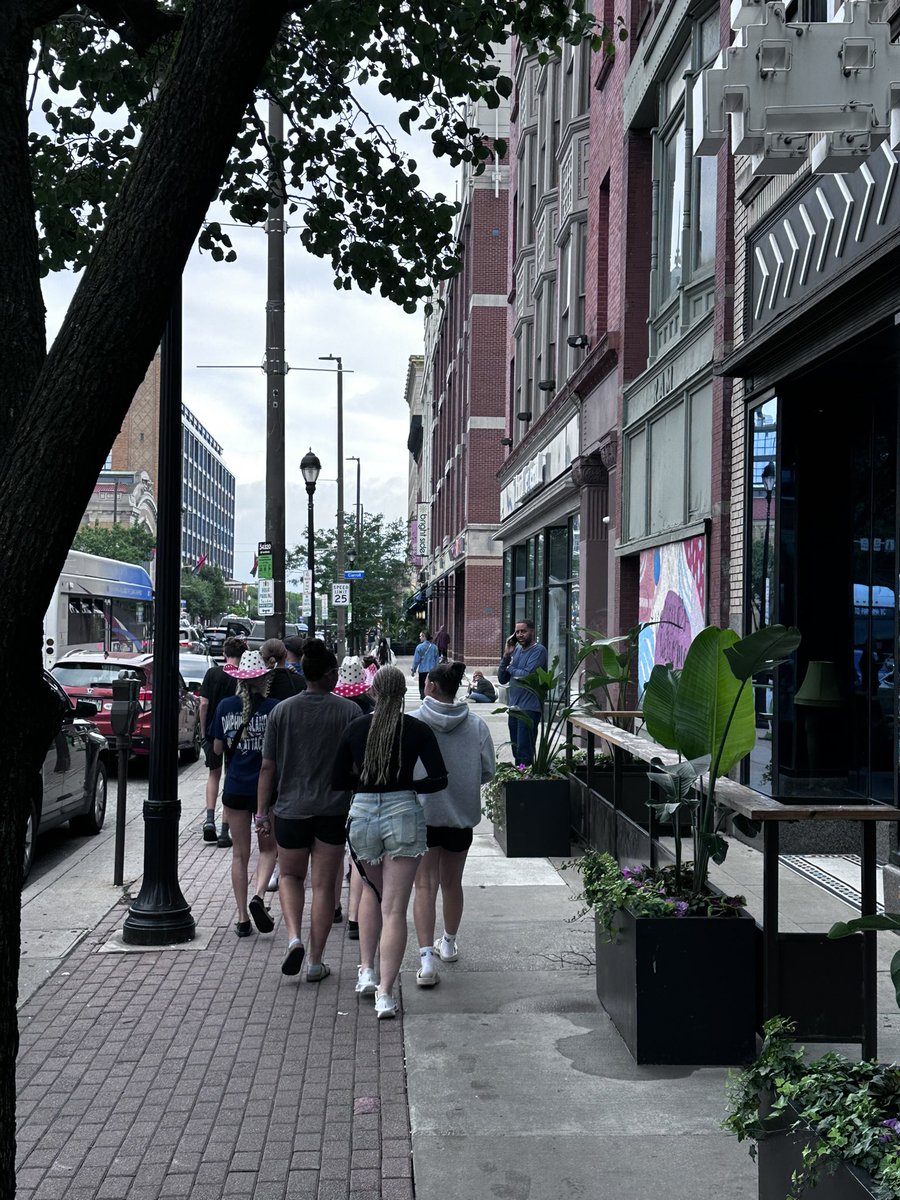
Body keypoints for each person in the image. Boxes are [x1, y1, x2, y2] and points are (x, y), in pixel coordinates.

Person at [332, 665, 448, 1019]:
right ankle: (385, 994)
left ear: (373, 691)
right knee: (395, 908)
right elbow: (440, 778)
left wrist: (365, 782)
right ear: (403, 694)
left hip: (363, 813)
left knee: (370, 892)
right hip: (403, 813)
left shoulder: (354, 729)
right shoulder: (417, 729)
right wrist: (408, 787)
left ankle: (366, 971)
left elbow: (337, 780)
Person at [255, 640, 360, 980]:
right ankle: (315, 962)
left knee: (290, 877)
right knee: (325, 887)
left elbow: (267, 767)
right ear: (329, 675)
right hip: (333, 810)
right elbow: (358, 767)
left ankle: (293, 938)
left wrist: (261, 813)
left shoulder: (281, 712)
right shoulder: (349, 712)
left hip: (290, 810)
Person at [411, 662, 495, 986]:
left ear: (431, 686)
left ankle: (426, 961)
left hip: (422, 814)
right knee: (452, 883)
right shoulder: (476, 725)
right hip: (461, 815)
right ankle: (448, 942)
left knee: (424, 885)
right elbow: (488, 771)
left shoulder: (413, 722)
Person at [211, 650, 281, 937]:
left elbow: (217, 749)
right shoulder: (274, 708)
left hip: (235, 788)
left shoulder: (225, 706)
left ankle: (242, 918)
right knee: (269, 849)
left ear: (239, 679)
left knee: (239, 855)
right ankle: (259, 895)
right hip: (266, 791)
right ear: (264, 678)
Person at [198, 635, 247, 847]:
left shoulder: (213, 673)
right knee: (230, 777)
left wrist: (203, 732)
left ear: (224, 654)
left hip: (213, 732)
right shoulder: (243, 676)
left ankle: (210, 819)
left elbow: (203, 704)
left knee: (213, 774)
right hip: (236, 733)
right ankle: (225, 831)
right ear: (242, 655)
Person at [497, 618, 548, 766]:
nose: (520, 635)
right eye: (517, 632)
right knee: (516, 750)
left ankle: (524, 777)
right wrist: (506, 656)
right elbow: (502, 679)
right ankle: (521, 774)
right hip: (514, 707)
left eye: (523, 631)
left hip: (529, 709)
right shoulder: (517, 651)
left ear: (532, 631)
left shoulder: (539, 651)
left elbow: (527, 675)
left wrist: (511, 668)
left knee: (524, 752)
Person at [411, 630, 440, 700]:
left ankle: (423, 698)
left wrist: (413, 670)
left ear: (424, 637)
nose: (420, 638)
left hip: (422, 670)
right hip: (432, 671)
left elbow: (416, 660)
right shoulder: (435, 647)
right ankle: (431, 698)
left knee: (422, 686)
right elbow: (437, 661)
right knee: (432, 686)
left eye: (420, 636)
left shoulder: (419, 647)